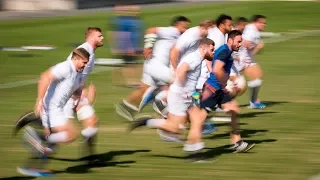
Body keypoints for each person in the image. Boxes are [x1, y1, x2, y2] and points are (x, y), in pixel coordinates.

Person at [14, 27, 104, 160]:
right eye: (99, 36)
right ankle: (38, 134)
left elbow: (78, 78)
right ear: (91, 37)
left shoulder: (89, 54)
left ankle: (87, 156)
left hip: (73, 95)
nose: (102, 38)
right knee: (67, 133)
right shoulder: (82, 54)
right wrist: (78, 96)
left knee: (89, 123)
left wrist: (81, 94)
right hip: (66, 98)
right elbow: (66, 75)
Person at [128, 38, 215, 150]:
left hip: (189, 95)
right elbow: (181, 70)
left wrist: (195, 99)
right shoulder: (195, 58)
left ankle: (194, 149)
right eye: (212, 49)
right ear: (204, 48)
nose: (213, 52)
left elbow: (193, 84)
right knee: (175, 128)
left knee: (197, 120)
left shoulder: (198, 58)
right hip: (181, 96)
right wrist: (183, 88)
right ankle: (146, 121)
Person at [17, 48, 90, 176]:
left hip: (59, 109)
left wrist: (79, 98)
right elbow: (45, 77)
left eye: (86, 63)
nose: (85, 65)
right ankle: (35, 137)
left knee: (54, 144)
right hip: (51, 108)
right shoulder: (65, 67)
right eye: (83, 62)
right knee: (71, 134)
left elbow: (76, 89)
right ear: (75, 59)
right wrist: (39, 100)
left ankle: (33, 168)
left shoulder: (78, 73)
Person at [185, 30, 255, 155]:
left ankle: (237, 142)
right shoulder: (224, 52)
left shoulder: (226, 51)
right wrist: (226, 84)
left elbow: (214, 65)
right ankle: (192, 147)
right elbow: (217, 70)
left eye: (241, 42)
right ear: (230, 40)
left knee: (234, 110)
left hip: (219, 90)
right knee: (200, 119)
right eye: (238, 42)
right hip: (212, 90)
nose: (240, 44)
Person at [115, 16, 191, 121]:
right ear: (177, 24)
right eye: (184, 26)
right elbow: (151, 30)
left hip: (151, 65)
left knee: (144, 89)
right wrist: (148, 46)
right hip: (156, 65)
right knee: (179, 83)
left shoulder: (179, 36)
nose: (186, 29)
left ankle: (125, 107)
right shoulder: (173, 31)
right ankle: (160, 104)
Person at [109, 4, 144, 87]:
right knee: (129, 63)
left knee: (135, 63)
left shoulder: (136, 21)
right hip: (128, 46)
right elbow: (121, 34)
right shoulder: (124, 21)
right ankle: (130, 81)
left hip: (135, 44)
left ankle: (136, 80)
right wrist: (127, 47)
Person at [237, 15, 267, 109]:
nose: (264, 25)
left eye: (264, 23)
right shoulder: (251, 30)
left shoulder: (253, 30)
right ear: (255, 22)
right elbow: (245, 44)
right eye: (261, 22)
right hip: (243, 57)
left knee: (258, 75)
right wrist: (257, 47)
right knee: (238, 83)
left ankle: (254, 101)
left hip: (248, 56)